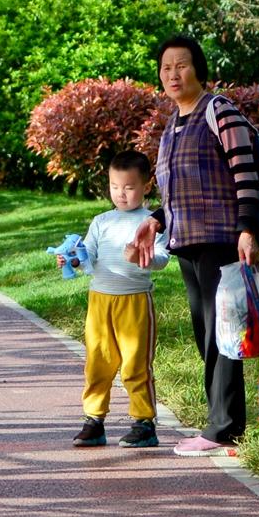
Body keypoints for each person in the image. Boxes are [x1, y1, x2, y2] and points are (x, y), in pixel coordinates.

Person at [125, 36, 259, 457]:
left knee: (222, 334)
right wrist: (154, 221)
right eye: (166, 68)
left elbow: (245, 170)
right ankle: (221, 421)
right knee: (208, 334)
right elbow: (175, 192)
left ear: (198, 69)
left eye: (181, 65)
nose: (172, 74)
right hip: (189, 242)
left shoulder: (217, 110)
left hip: (220, 239)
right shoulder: (173, 124)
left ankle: (222, 428)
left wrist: (248, 228)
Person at [67, 150, 171, 450]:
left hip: (134, 301)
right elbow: (88, 256)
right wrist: (73, 259)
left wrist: (143, 258)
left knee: (135, 364)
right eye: (115, 187)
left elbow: (163, 258)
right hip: (100, 301)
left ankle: (144, 423)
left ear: (146, 186)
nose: (121, 194)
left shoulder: (152, 223)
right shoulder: (101, 221)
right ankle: (94, 420)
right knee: (97, 362)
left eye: (128, 187)